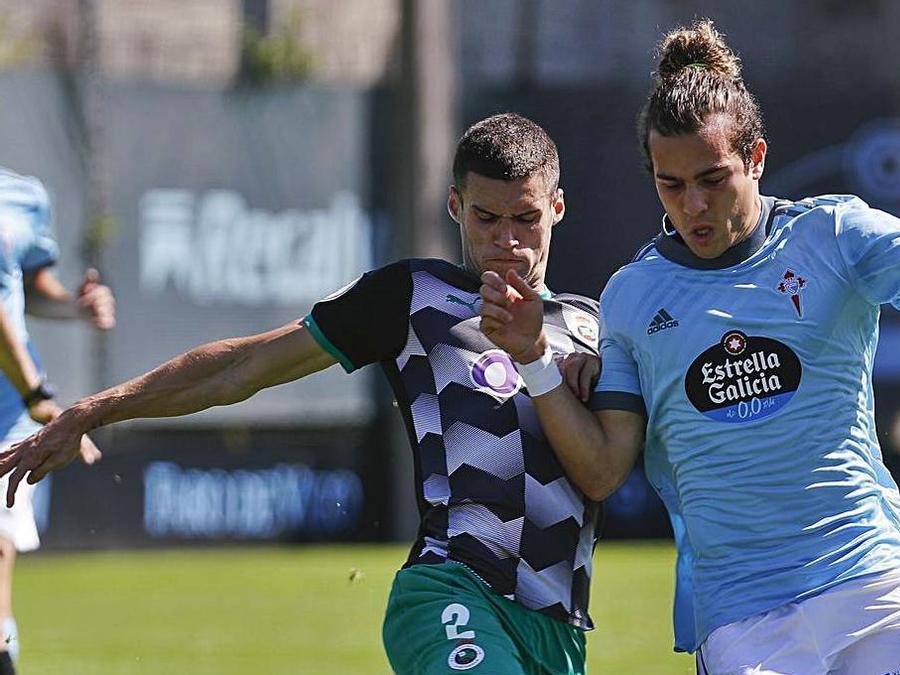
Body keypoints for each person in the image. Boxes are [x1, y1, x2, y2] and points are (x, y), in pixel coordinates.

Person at [478, 20, 900, 675]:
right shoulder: (633, 295)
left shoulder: (835, 233)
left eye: (713, 178)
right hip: (742, 620)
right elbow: (604, 468)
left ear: (757, 158)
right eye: (671, 183)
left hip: (870, 587)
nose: (694, 204)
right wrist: (536, 358)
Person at [0, 114, 603, 675]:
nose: (507, 241)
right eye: (485, 218)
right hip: (451, 590)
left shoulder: (594, 330)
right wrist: (93, 409)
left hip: (557, 631)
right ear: (454, 206)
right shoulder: (415, 296)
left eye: (525, 219)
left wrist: (585, 371)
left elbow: (643, 456)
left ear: (557, 207)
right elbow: (243, 366)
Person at [0, 167, 114, 675]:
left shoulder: (24, 195)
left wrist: (73, 305)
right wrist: (37, 394)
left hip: (5, 420)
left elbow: (23, 283)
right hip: (23, 400)